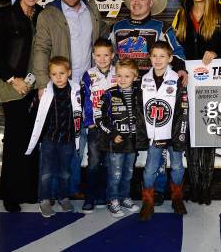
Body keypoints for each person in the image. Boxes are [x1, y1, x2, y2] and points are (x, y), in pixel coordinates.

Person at [111, 0, 187, 205]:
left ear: (150, 3)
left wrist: (181, 70)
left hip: (153, 93)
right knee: (130, 139)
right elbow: (110, 56)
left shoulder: (161, 28)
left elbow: (178, 51)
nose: (136, 2)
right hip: (126, 91)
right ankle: (131, 186)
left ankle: (159, 188)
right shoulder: (117, 27)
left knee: (158, 141)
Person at [33, 0, 107, 199]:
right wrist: (43, 82)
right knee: (62, 141)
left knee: (82, 137)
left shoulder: (92, 9)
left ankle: (74, 188)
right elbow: (41, 49)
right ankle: (58, 190)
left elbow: (102, 35)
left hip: (87, 86)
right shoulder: (49, 14)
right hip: (61, 86)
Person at [175, 0, 221, 205]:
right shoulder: (183, 15)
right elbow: (178, 49)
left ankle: (206, 187)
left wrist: (216, 51)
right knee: (191, 134)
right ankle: (194, 185)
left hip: (213, 82)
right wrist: (180, 66)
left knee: (208, 133)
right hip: (189, 83)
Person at [0, 0, 45, 213]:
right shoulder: (6, 17)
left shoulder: (41, 15)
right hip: (13, 87)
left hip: (35, 87)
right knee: (15, 140)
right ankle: (10, 195)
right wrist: (13, 79)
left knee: (33, 139)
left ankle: (29, 190)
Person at [137, 41, 189, 221]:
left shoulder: (178, 79)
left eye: (162, 56)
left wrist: (180, 135)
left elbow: (183, 109)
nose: (158, 60)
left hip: (173, 133)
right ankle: (148, 202)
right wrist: (143, 134)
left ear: (170, 58)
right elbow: (139, 111)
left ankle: (177, 198)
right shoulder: (143, 80)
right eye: (154, 56)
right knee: (150, 169)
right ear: (149, 57)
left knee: (176, 166)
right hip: (154, 135)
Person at [26, 56, 83, 218]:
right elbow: (33, 113)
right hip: (49, 140)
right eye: (54, 74)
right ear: (49, 75)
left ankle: (63, 197)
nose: (58, 77)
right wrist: (37, 98)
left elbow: (80, 113)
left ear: (69, 73)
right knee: (46, 172)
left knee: (65, 172)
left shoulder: (76, 90)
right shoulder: (45, 91)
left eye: (62, 73)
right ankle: (44, 199)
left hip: (68, 140)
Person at [95, 59, 143, 218]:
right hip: (115, 144)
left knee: (128, 173)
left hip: (132, 143)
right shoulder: (109, 94)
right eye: (119, 76)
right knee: (115, 173)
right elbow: (99, 118)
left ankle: (125, 197)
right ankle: (113, 200)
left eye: (127, 76)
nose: (122, 79)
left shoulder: (140, 95)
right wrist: (112, 134)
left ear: (135, 77)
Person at [80, 38, 117, 213]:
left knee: (109, 163)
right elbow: (85, 100)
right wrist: (89, 123)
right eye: (99, 55)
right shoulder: (88, 75)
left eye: (106, 55)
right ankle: (90, 197)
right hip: (95, 127)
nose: (102, 58)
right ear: (93, 56)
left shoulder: (118, 73)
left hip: (112, 128)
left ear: (112, 55)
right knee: (94, 163)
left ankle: (104, 195)